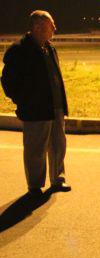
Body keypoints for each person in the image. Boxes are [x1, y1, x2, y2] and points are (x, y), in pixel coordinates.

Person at [1, 10, 71, 196]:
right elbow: (8, 82)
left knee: (58, 145)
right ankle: (34, 185)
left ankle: (58, 179)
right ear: (38, 27)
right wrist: (24, 101)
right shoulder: (19, 50)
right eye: (51, 25)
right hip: (35, 109)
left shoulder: (49, 48)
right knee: (35, 149)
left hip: (55, 107)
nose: (55, 28)